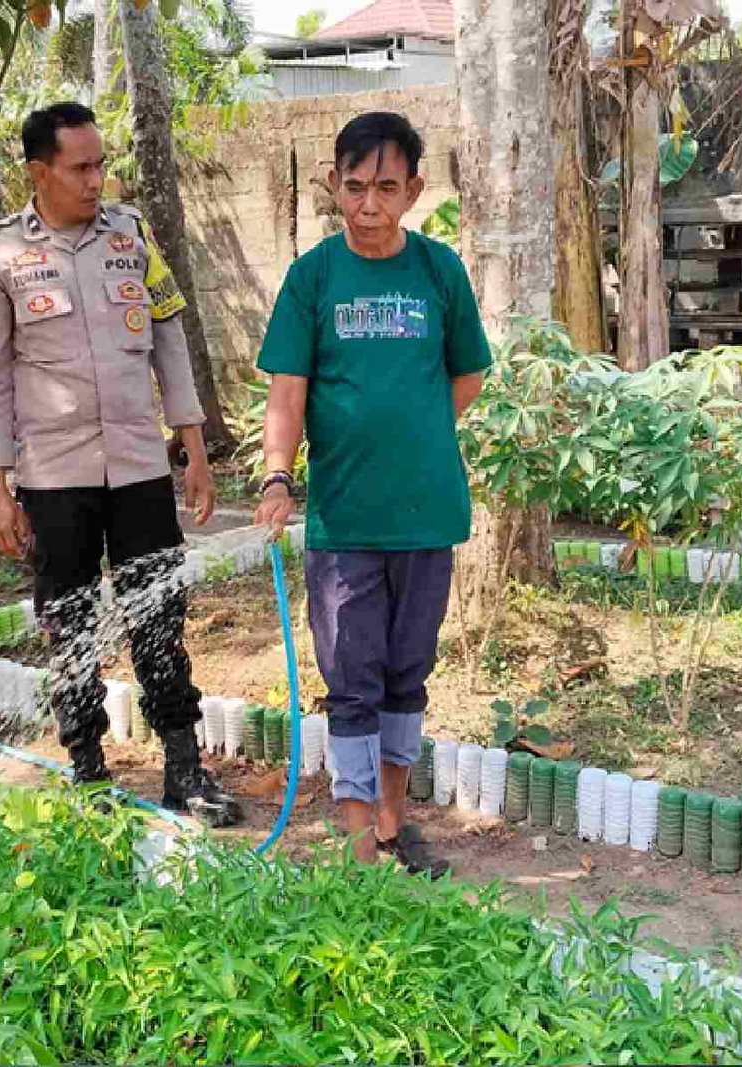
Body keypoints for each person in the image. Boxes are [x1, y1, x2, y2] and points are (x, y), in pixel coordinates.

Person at [0, 101, 240, 827]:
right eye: (80, 168)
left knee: (161, 622)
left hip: (139, 469)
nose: (96, 181)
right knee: (71, 627)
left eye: (101, 165)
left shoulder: (132, 236)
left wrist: (193, 447)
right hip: (54, 479)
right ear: (39, 172)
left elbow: (169, 340)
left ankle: (184, 770)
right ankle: (88, 775)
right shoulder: (0, 257)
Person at [253, 112, 491, 874]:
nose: (368, 205)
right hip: (345, 520)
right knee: (352, 685)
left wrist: (415, 431)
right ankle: (360, 853)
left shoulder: (439, 271)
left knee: (405, 678)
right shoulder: (313, 277)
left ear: (414, 191)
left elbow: (468, 373)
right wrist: (278, 474)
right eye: (354, 187)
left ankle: (393, 826)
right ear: (333, 184)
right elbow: (287, 392)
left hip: (427, 515)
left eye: (386, 188)